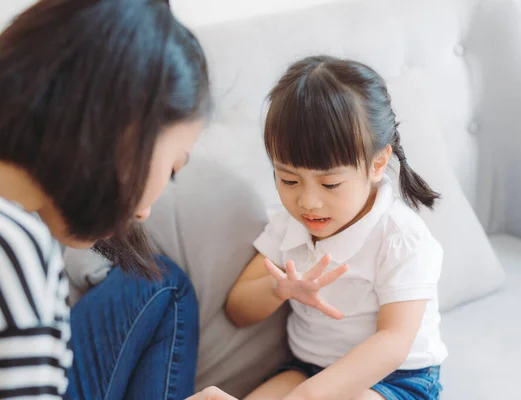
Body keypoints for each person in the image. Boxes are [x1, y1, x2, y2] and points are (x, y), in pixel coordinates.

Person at [0, 0, 235, 399]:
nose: (143, 212)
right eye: (172, 169)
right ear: (125, 131)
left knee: (159, 284)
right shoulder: (16, 247)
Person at [226, 56, 447, 400]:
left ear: (377, 164)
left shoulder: (400, 237)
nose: (307, 202)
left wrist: (308, 397)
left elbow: (393, 343)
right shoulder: (289, 225)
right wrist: (279, 289)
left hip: (396, 379)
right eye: (288, 179)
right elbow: (237, 310)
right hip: (309, 368)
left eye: (329, 185)